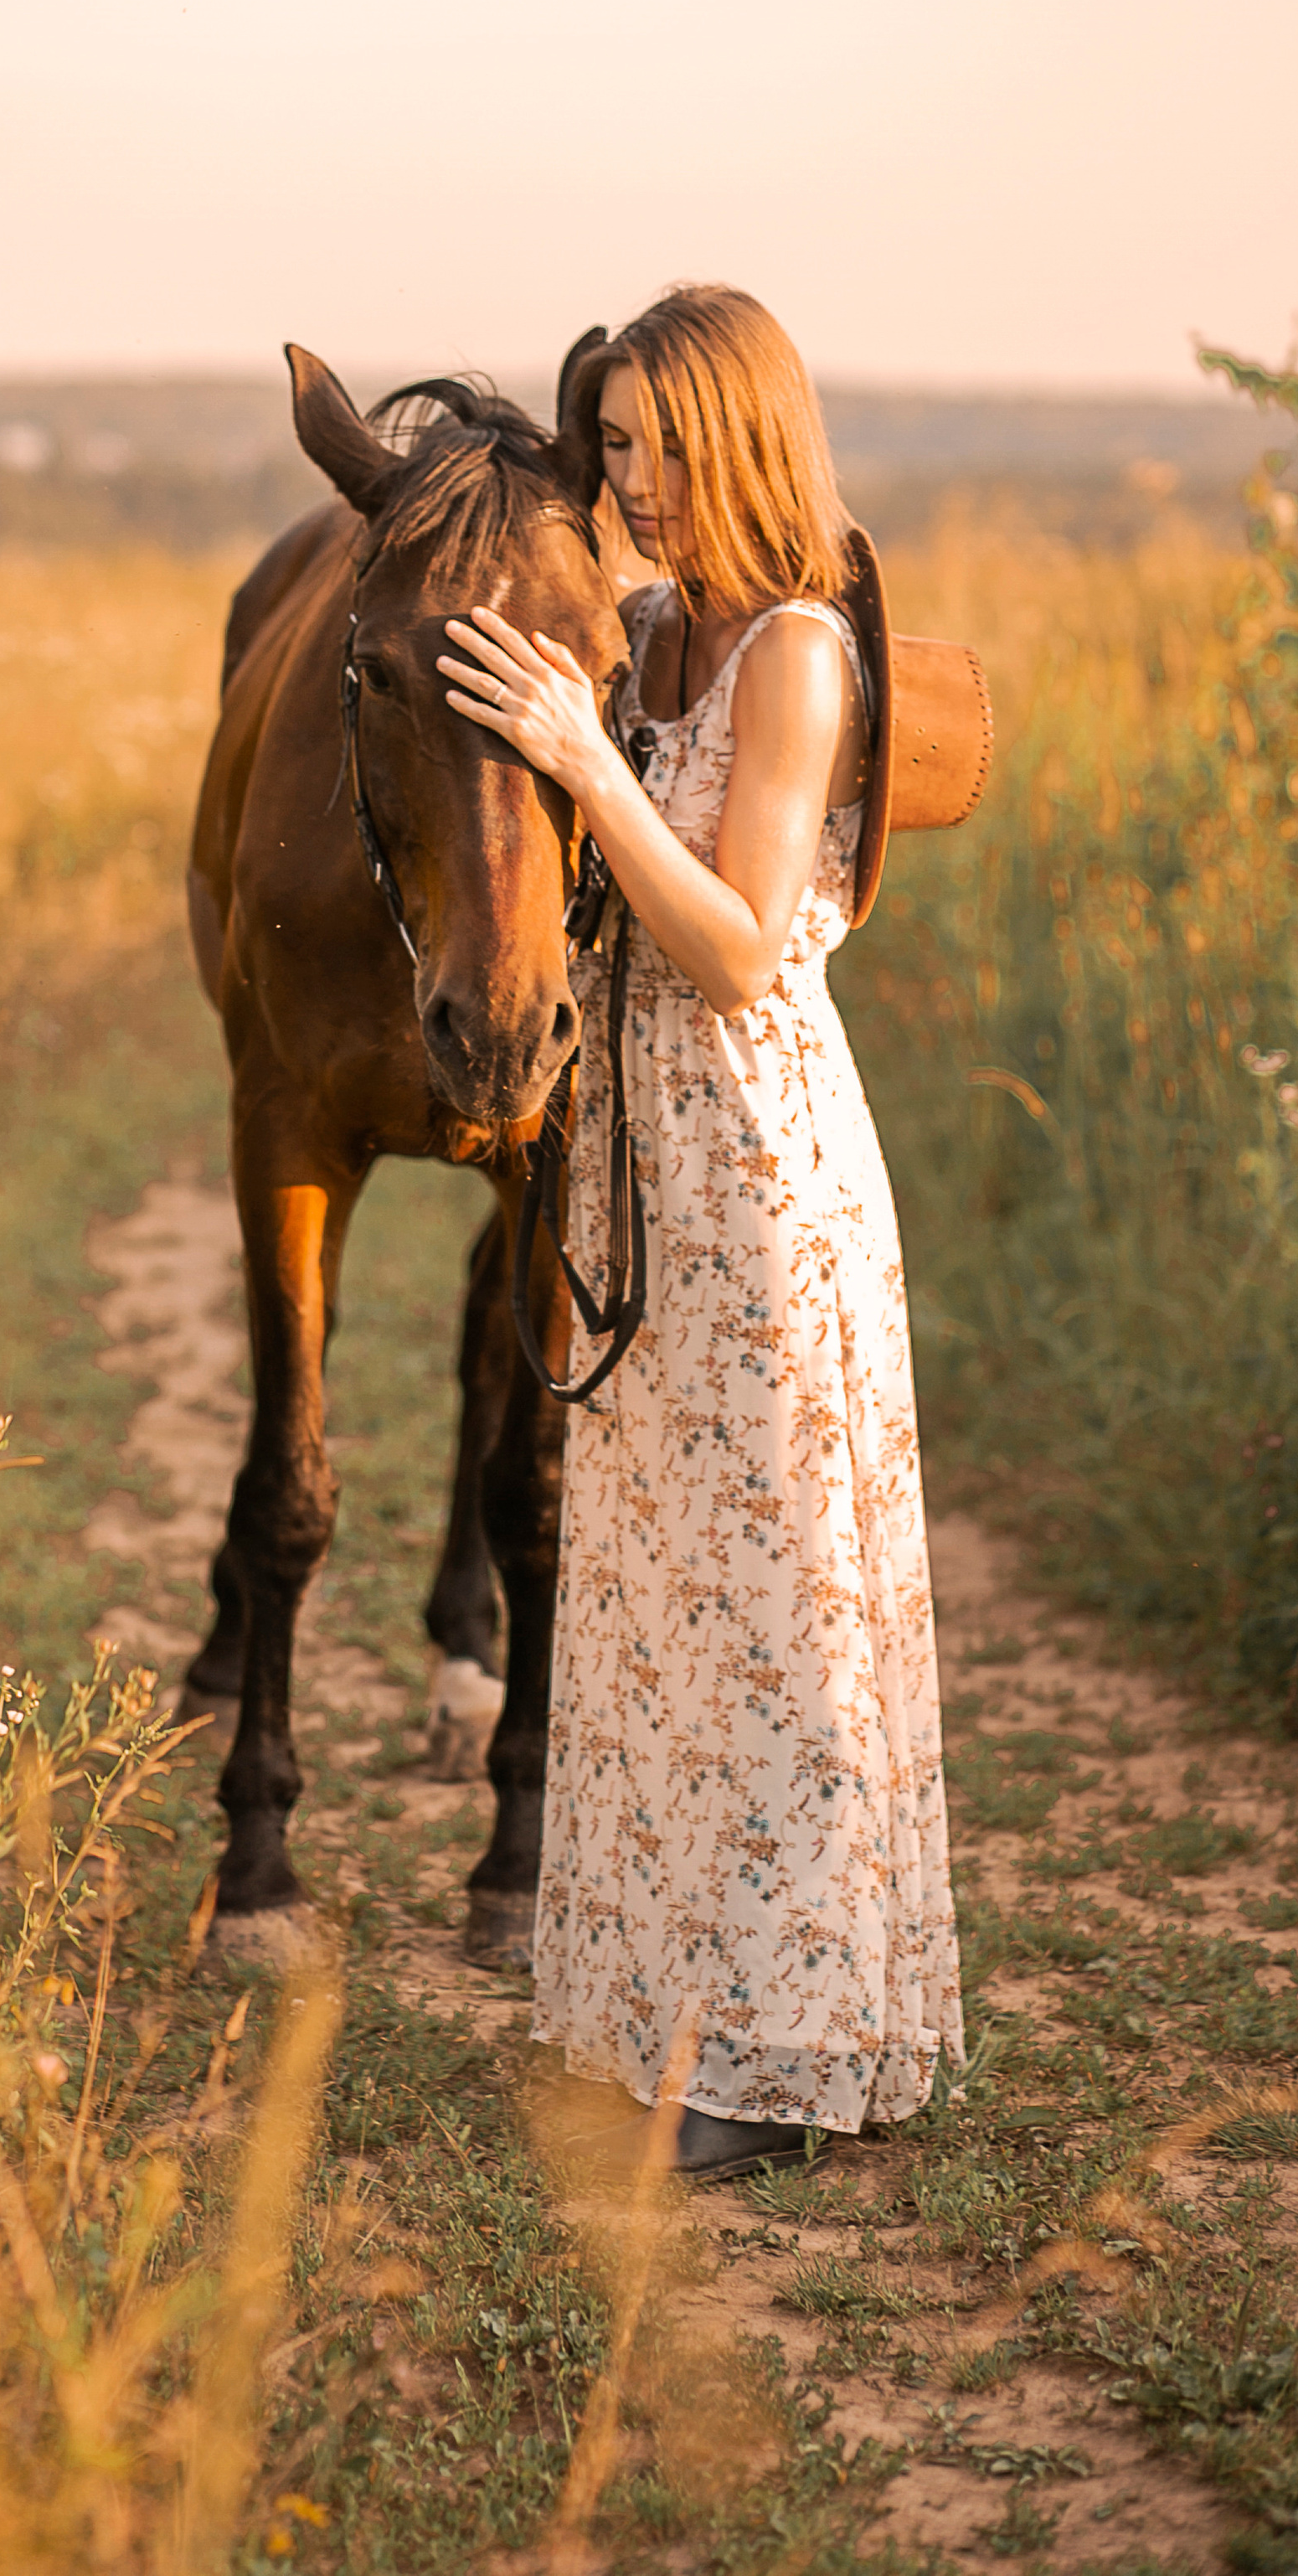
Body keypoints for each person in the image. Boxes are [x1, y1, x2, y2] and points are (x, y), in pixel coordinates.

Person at [436, 283, 963, 2181]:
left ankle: (776, 2049)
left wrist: (583, 762)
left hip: (757, 1169)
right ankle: (666, 2008)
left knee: (774, 1613)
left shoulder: (796, 658)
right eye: (616, 443)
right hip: (644, 1160)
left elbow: (739, 948)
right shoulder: (655, 634)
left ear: (735, 441)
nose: (628, 479)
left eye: (656, 443)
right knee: (658, 1603)